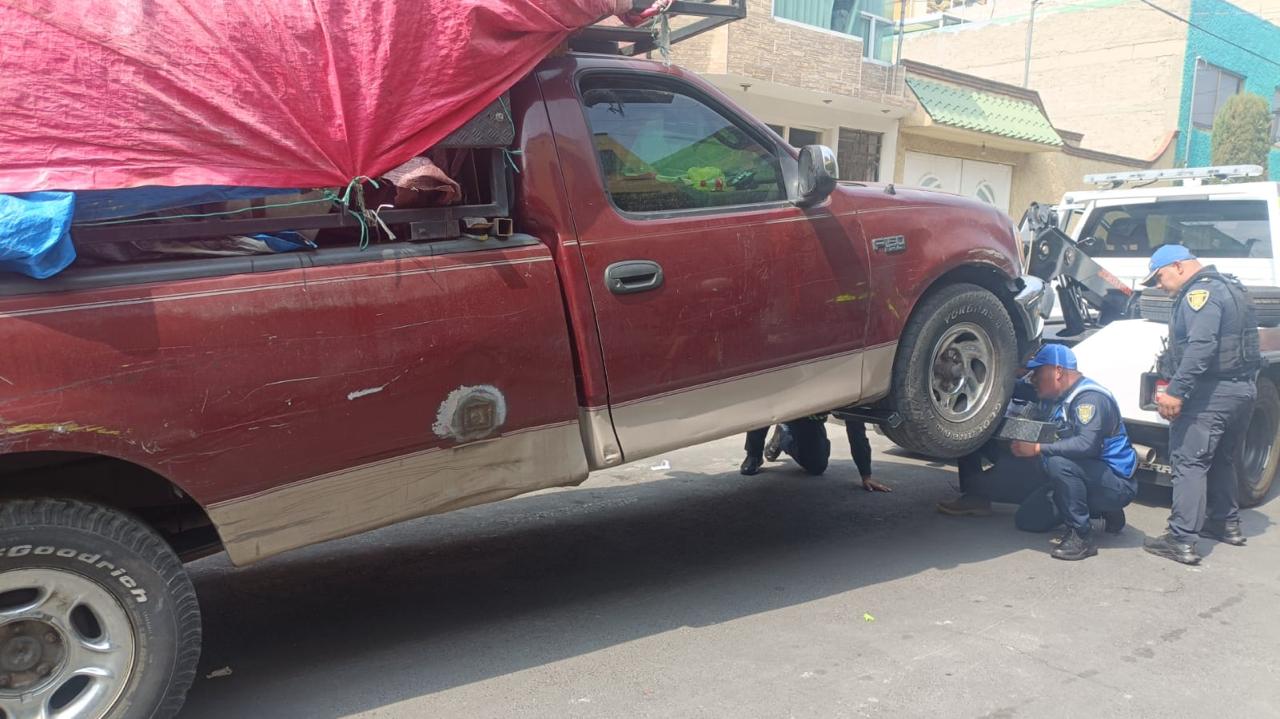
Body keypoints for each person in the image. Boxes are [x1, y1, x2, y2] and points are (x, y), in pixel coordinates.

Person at [939, 344, 1139, 561]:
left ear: (1058, 371)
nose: (1032, 378)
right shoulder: (1054, 393)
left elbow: (1086, 445)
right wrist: (985, 373)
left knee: (1058, 462)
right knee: (1027, 521)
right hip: (1078, 476)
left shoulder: (1090, 399)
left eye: (1038, 372)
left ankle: (1082, 536)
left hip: (1114, 482)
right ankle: (1097, 509)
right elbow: (1011, 386)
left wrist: (1036, 449)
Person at [1140, 245, 1259, 565]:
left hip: (1211, 394)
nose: (1158, 286)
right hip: (1242, 391)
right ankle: (1225, 523)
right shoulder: (1231, 286)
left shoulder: (1199, 294)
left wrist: (1176, 391)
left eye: (1159, 277)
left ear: (1178, 266)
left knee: (1189, 463)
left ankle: (1181, 540)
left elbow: (1201, 346)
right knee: (1222, 458)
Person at [740, 416, 893, 492]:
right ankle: (754, 455)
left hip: (807, 420)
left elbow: (856, 429)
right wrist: (753, 452)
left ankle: (784, 436)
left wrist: (866, 475)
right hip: (785, 395)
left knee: (817, 466)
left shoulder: (845, 384)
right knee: (764, 407)